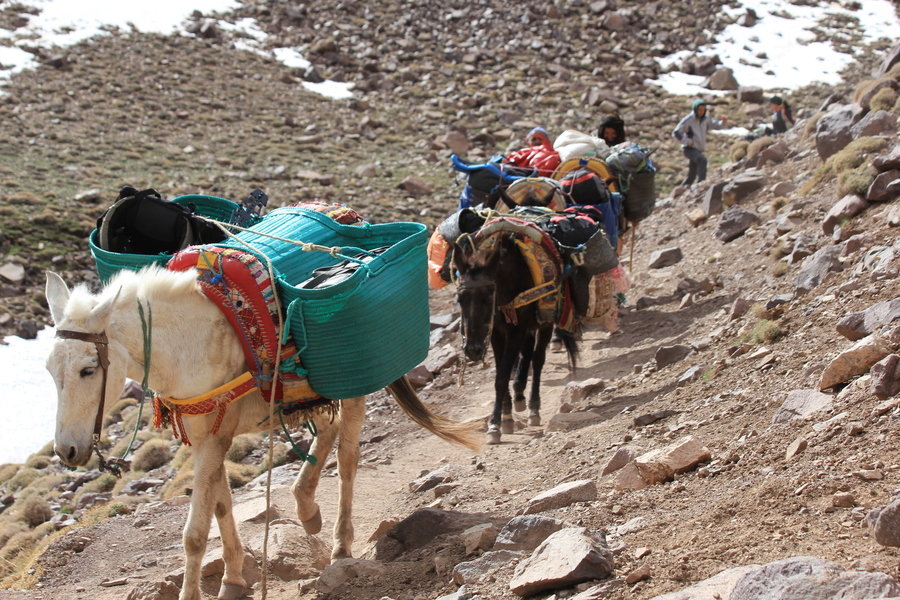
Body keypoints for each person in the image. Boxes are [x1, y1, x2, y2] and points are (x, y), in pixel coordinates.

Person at [672, 99, 727, 186]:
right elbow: (676, 133)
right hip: (689, 148)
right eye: (699, 110)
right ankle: (701, 185)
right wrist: (687, 141)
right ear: (695, 109)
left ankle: (679, 192)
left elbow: (715, 125)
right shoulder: (689, 120)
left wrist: (723, 122)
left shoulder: (706, 119)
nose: (701, 112)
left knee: (691, 176)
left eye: (703, 109)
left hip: (698, 149)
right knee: (702, 160)